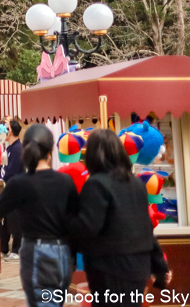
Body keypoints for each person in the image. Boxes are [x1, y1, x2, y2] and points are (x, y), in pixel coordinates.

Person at [0, 123, 78, 307]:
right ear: (50, 152)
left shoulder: (19, 184)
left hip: (36, 252)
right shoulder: (65, 181)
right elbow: (74, 221)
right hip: (62, 252)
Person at [69, 129, 170, 304]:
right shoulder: (136, 183)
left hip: (108, 269)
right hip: (138, 268)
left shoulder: (96, 184)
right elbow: (146, 228)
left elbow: (88, 227)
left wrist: (66, 220)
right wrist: (160, 266)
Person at [0, 119, 24, 261]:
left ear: (11, 131)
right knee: (4, 221)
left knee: (15, 220)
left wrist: (2, 182)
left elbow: (12, 171)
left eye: (5, 128)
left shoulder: (18, 149)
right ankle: (3, 248)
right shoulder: (8, 149)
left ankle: (17, 250)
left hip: (15, 190)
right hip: (6, 189)